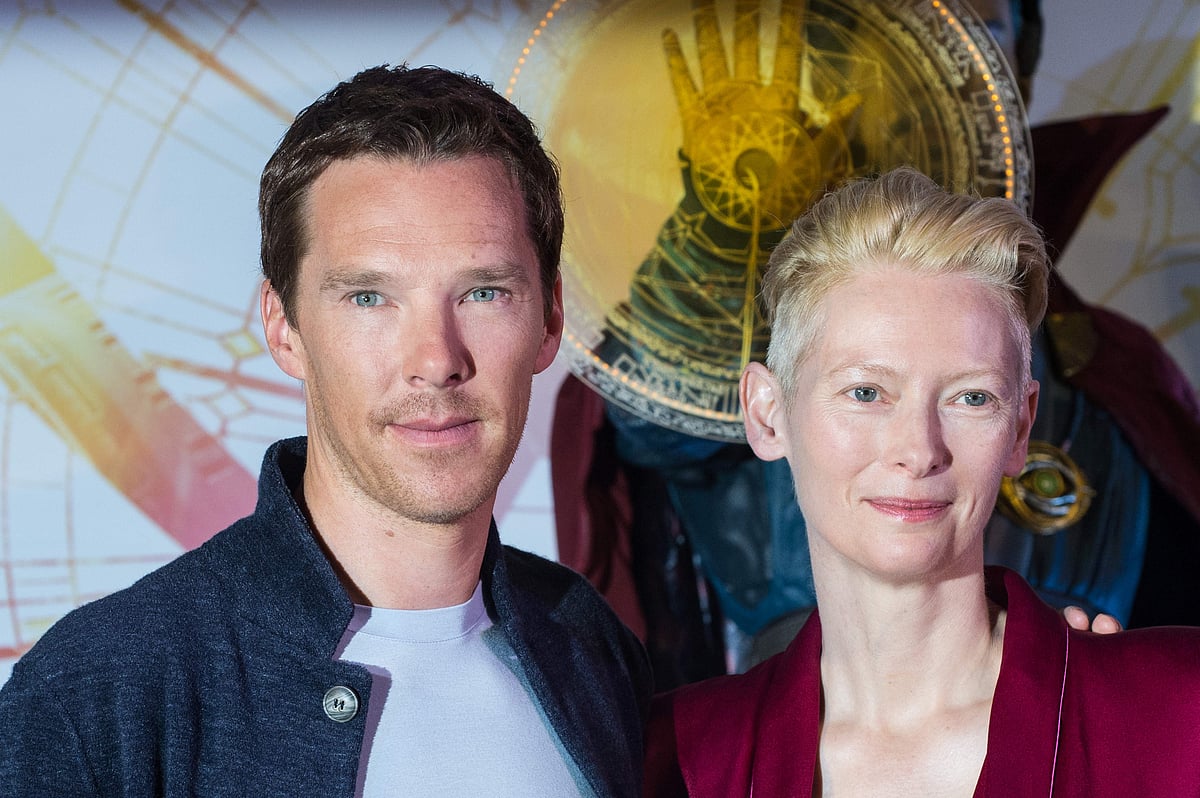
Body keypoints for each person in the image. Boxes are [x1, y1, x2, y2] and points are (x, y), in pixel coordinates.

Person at [0, 65, 651, 797]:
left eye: (483, 292)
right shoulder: (95, 699)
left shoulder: (591, 646)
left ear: (550, 319)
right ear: (284, 328)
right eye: (369, 297)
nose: (436, 360)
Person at [644, 167, 1200, 796]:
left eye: (971, 398)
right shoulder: (675, 760)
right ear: (767, 415)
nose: (918, 451)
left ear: (1021, 428)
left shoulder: (1178, 713)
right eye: (866, 392)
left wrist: (1131, 701)